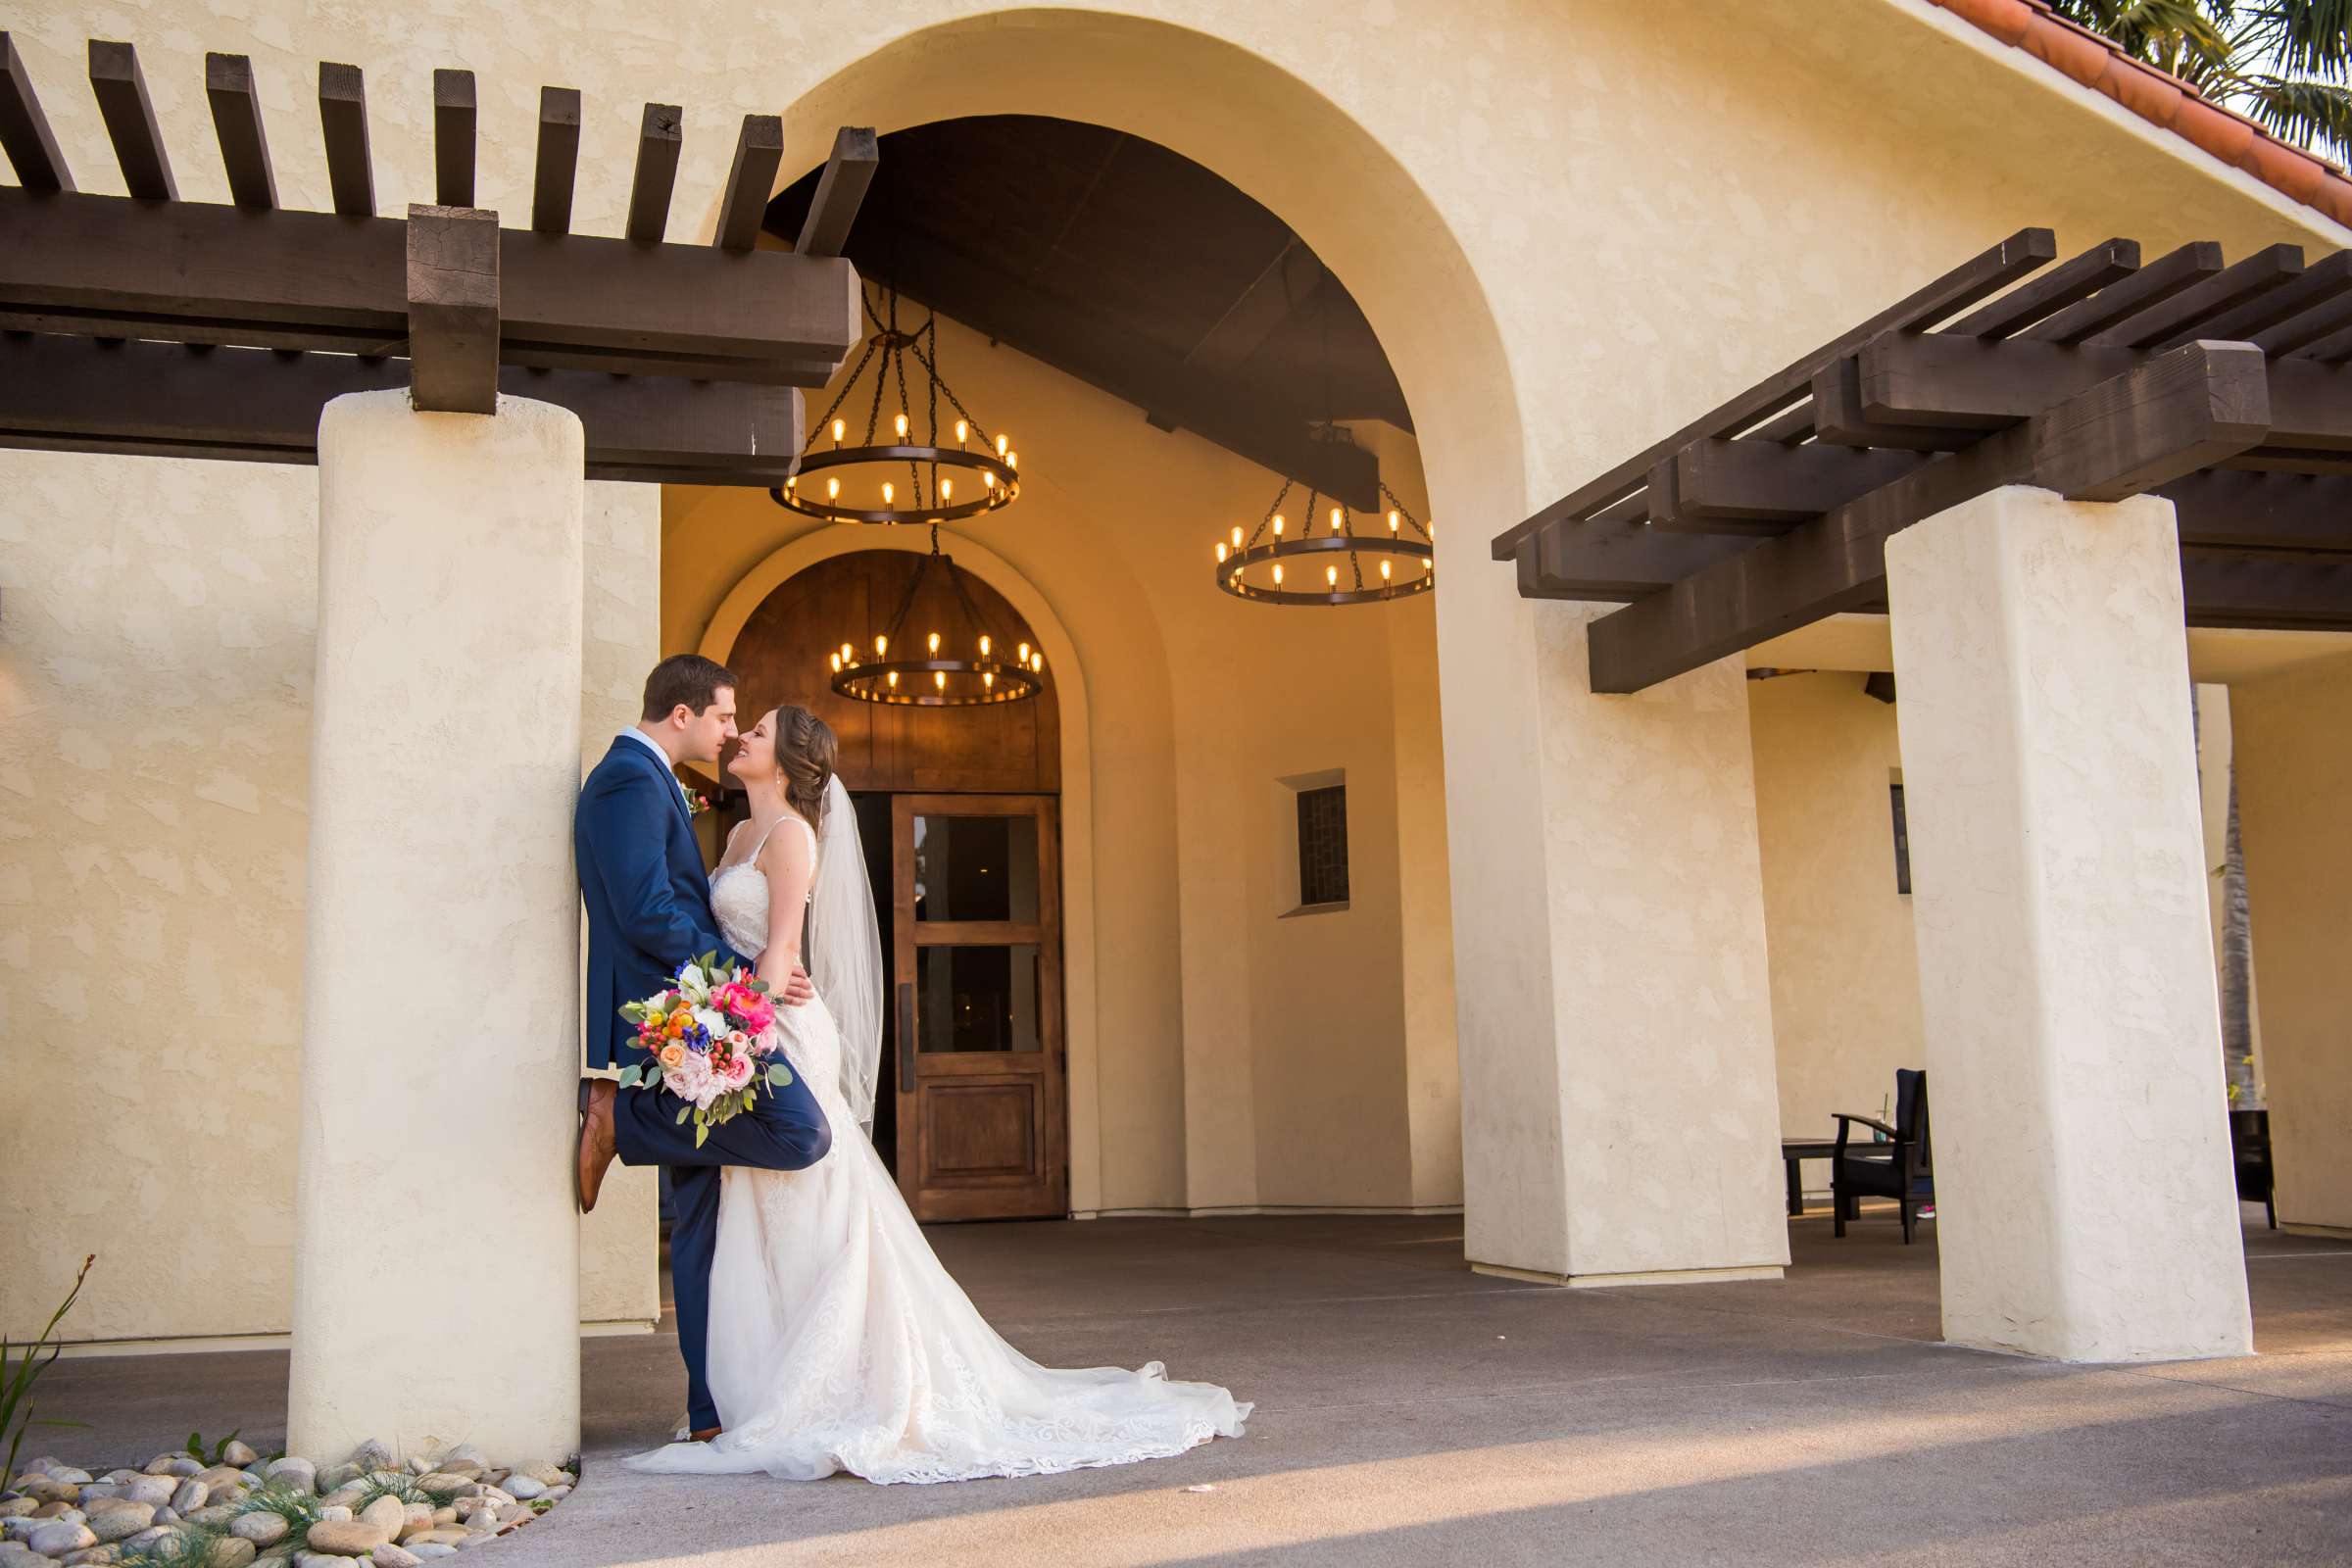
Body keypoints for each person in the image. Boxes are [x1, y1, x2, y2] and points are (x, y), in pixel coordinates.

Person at [623, 702, 1250, 1484]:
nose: (742, 734)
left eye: (758, 730)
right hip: (744, 1023)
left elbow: (780, 953)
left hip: (773, 1029)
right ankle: (758, 1389)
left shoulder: (791, 837)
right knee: (758, 1207)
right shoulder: (741, 834)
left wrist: (723, 1034)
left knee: (814, 1201)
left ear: (782, 761)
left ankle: (840, 1384)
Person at [572, 655, 830, 1445]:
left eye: (744, 727)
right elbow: (650, 913)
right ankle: (624, 1121)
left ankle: (712, 1411)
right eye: (725, 717)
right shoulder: (628, 781)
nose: (729, 733)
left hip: (698, 1019)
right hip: (689, 1013)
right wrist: (739, 987)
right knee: (792, 1141)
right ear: (681, 715)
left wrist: (759, 976)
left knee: (704, 1217)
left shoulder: (677, 794)